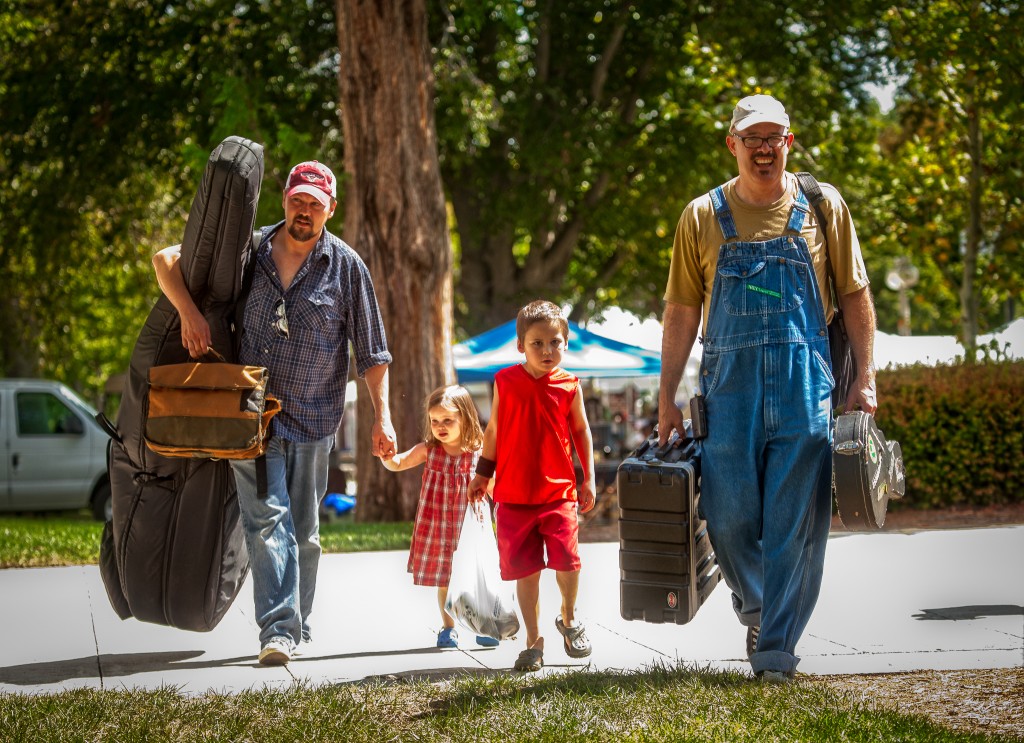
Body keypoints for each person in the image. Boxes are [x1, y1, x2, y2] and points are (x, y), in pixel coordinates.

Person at [657, 94, 877, 683]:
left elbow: (855, 294)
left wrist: (867, 379)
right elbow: (680, 311)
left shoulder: (822, 207)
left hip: (806, 384)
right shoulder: (701, 216)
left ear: (789, 142)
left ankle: (775, 651)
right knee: (727, 519)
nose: (763, 146)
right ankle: (757, 607)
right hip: (729, 393)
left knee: (795, 528)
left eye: (773, 136)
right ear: (732, 144)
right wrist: (665, 397)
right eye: (751, 136)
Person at [153, 160, 396, 666]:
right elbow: (165, 259)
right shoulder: (250, 249)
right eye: (297, 200)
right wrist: (189, 313)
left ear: (331, 209)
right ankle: (278, 631)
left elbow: (372, 351)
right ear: (284, 199)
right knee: (267, 520)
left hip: (314, 419)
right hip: (252, 418)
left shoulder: (346, 266)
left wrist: (383, 418)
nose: (303, 211)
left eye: (314, 204)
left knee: (304, 531)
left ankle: (295, 625)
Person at [469, 300, 597, 672]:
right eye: (537, 343)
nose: (547, 350)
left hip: (558, 494)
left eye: (555, 342)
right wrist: (483, 473)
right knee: (525, 571)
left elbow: (582, 431)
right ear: (520, 345)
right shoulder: (505, 382)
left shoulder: (570, 385)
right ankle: (533, 641)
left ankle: (569, 619)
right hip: (512, 495)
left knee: (568, 561)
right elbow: (492, 431)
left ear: (566, 344)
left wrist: (587, 477)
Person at [380, 384, 500, 649]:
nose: (440, 426)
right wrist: (386, 457)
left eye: (448, 420)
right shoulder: (429, 450)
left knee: (476, 577)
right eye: (435, 421)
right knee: (445, 578)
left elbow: (494, 488)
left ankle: (484, 625)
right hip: (438, 526)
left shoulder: (478, 454)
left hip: (470, 528)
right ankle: (448, 628)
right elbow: (399, 463)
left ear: (465, 419)